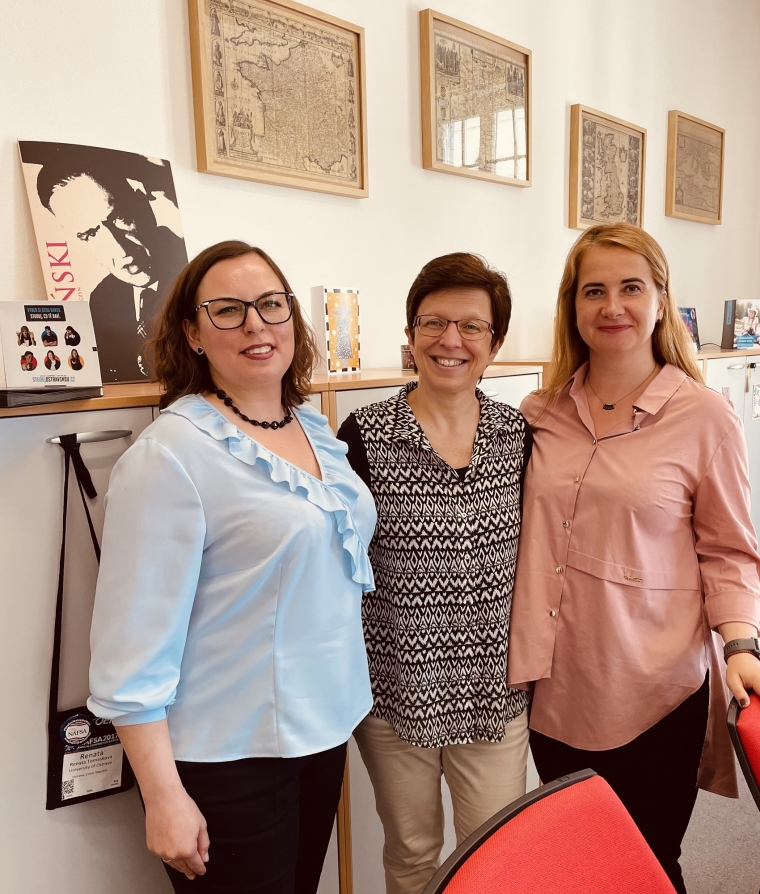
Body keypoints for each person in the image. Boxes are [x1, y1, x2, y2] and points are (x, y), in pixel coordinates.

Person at [88, 241, 376, 894]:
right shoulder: (170, 455)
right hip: (227, 761)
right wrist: (162, 795)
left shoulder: (313, 427)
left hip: (320, 739)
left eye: (271, 304)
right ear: (192, 333)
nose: (255, 324)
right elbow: (131, 646)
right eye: (227, 310)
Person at [508, 223, 760, 894]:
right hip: (557, 686)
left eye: (631, 288)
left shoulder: (705, 416)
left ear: (660, 301)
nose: (612, 306)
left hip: (655, 688)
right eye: (594, 290)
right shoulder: (539, 412)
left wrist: (741, 643)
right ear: (572, 306)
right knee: (579, 864)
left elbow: (729, 550)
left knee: (646, 866)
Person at [337, 253, 531, 894]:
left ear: (494, 344)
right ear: (411, 332)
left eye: (472, 326)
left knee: (493, 859)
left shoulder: (519, 436)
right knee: (412, 851)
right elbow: (336, 562)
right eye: (434, 323)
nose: (451, 340)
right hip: (396, 691)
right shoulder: (364, 436)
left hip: (493, 693)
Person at [34, 145, 187, 381]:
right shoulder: (102, 300)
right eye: (89, 234)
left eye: (118, 218)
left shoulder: (196, 279)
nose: (120, 250)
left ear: (142, 205)